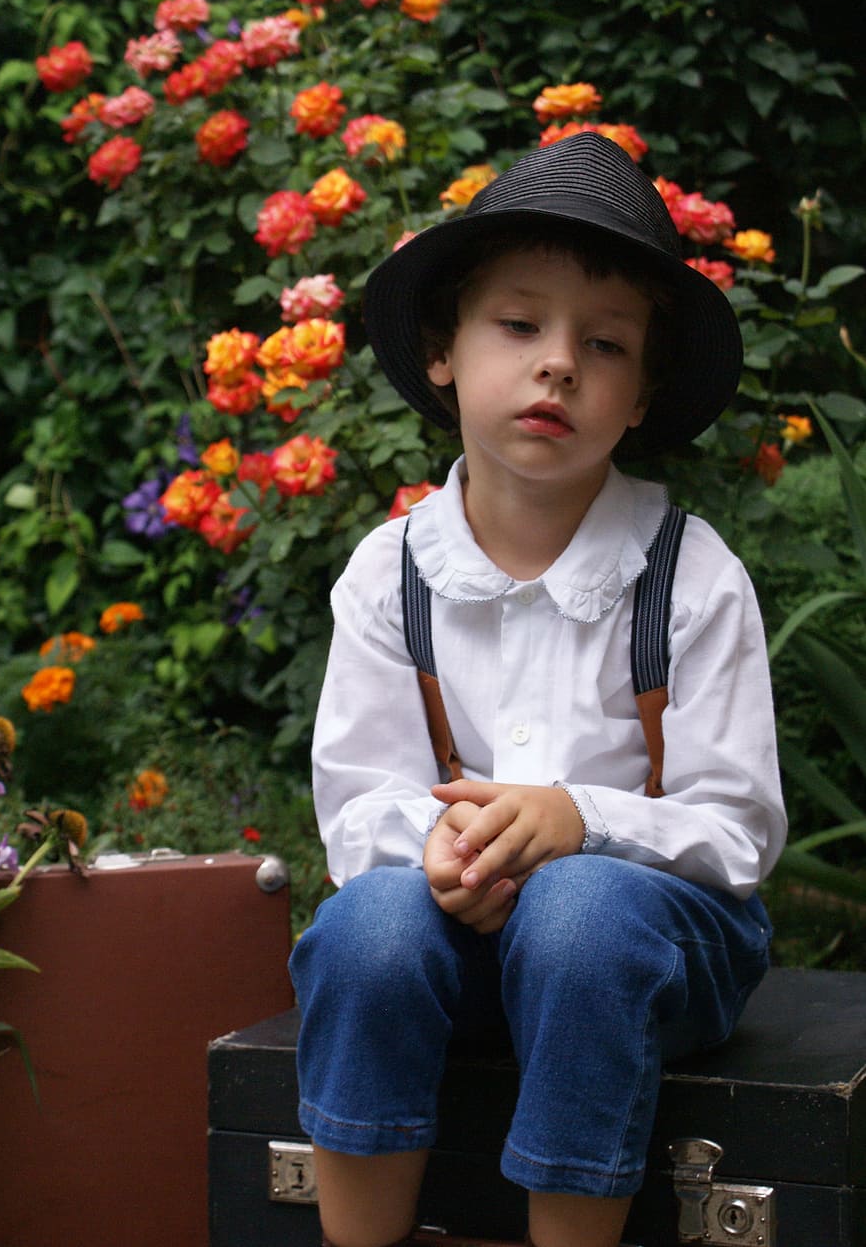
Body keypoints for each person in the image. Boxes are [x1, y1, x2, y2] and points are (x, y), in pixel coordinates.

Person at [289, 131, 787, 1247]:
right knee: (365, 924)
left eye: (603, 344)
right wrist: (442, 850)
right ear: (442, 354)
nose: (557, 362)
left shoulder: (689, 576)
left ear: (643, 392)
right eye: (519, 326)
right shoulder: (391, 571)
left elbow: (739, 833)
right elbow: (359, 807)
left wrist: (577, 823)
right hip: (455, 943)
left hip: (655, 955)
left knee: (576, 911)